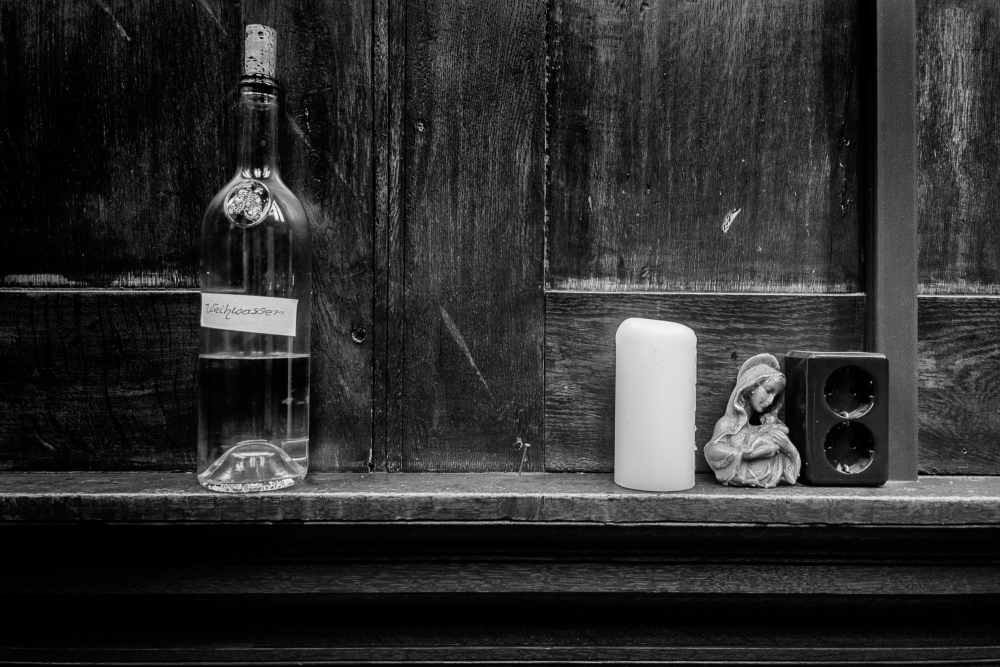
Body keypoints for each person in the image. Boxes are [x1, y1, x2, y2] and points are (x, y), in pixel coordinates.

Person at [704, 353, 801, 488]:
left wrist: (788, 447)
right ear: (751, 387)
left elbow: (791, 471)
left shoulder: (769, 429)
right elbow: (711, 450)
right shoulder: (727, 424)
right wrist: (749, 454)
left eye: (775, 396)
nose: (771, 400)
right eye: (768, 391)